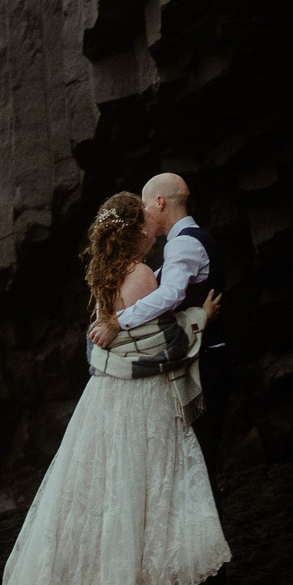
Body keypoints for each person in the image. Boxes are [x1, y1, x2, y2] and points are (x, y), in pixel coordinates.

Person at [0, 190, 231, 585]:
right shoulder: (143, 276)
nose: (153, 235)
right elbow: (159, 345)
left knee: (109, 481)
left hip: (105, 395)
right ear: (133, 234)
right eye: (146, 229)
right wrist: (200, 318)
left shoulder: (102, 279)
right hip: (141, 398)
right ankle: (144, 573)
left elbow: (118, 339)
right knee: (147, 480)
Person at [89, 172, 228, 463]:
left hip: (205, 358)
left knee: (200, 454)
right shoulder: (188, 242)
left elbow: (170, 296)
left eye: (145, 204)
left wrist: (119, 321)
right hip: (199, 355)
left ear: (160, 202)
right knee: (197, 455)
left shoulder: (181, 244)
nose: (143, 212)